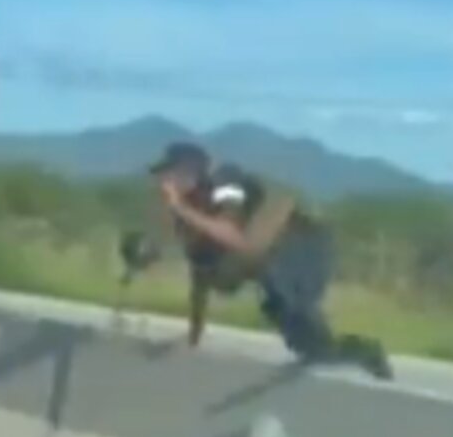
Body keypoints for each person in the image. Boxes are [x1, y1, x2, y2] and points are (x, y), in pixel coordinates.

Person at [149, 142, 393, 380]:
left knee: (293, 302)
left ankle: (358, 352)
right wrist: (194, 336)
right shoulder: (191, 214)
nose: (165, 182)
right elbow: (200, 270)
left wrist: (180, 208)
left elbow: (233, 237)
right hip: (272, 266)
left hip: (302, 245)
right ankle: (359, 354)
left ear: (192, 170)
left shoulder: (226, 183)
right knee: (301, 336)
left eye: (171, 174)